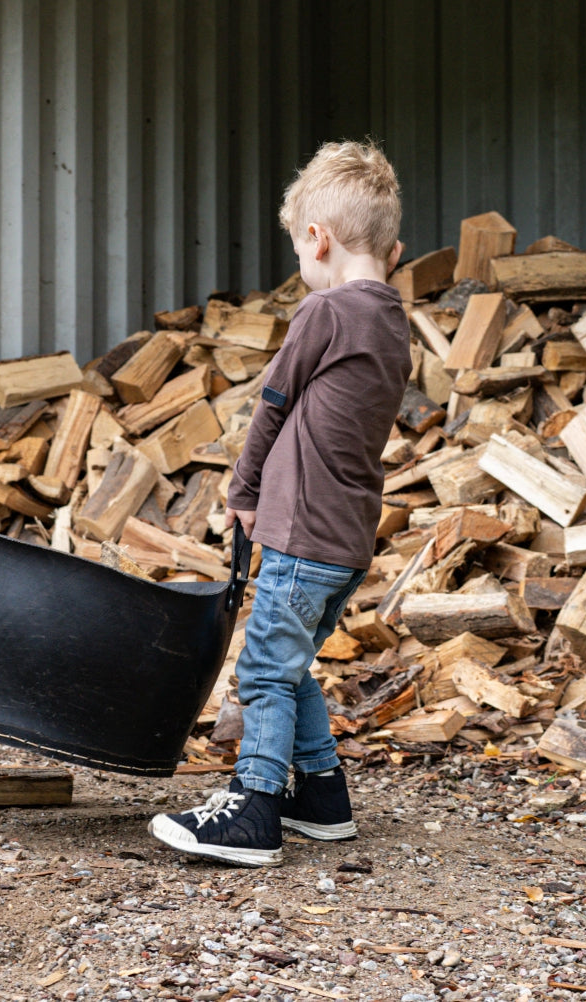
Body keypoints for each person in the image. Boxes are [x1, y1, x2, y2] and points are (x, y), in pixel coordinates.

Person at [148, 140, 410, 866]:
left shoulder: (323, 314)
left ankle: (253, 808)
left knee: (263, 670)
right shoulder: (392, 324)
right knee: (289, 665)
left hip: (303, 535)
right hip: (346, 540)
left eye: (298, 245)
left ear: (318, 239)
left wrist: (243, 488)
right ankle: (321, 797)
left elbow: (271, 404)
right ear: (395, 251)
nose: (300, 263)